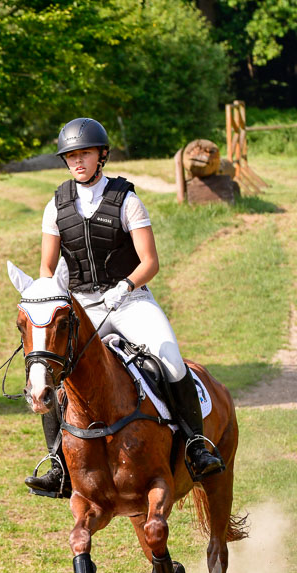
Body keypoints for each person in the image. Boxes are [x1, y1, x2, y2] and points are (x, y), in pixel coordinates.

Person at [25, 117, 223, 496]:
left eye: (84, 154)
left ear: (101, 155)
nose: (77, 162)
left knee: (170, 359)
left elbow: (150, 261)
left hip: (129, 300)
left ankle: (197, 446)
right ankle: (57, 464)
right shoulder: (56, 205)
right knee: (50, 371)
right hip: (82, 305)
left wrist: (126, 286)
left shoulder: (126, 200)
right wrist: (55, 297)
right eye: (70, 156)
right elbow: (47, 267)